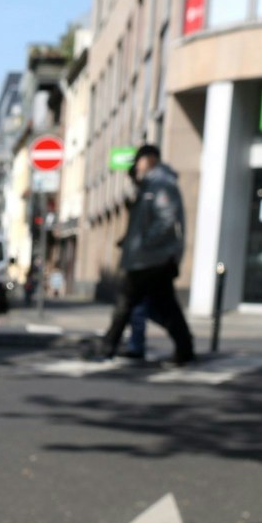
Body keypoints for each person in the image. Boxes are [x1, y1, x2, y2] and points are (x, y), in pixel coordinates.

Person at [93, 144, 195, 365]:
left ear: (149, 159)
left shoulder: (161, 184)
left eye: (138, 161)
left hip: (151, 260)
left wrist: (142, 243)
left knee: (126, 302)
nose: (136, 167)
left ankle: (108, 346)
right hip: (150, 259)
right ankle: (184, 347)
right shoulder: (150, 185)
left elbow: (166, 218)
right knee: (165, 306)